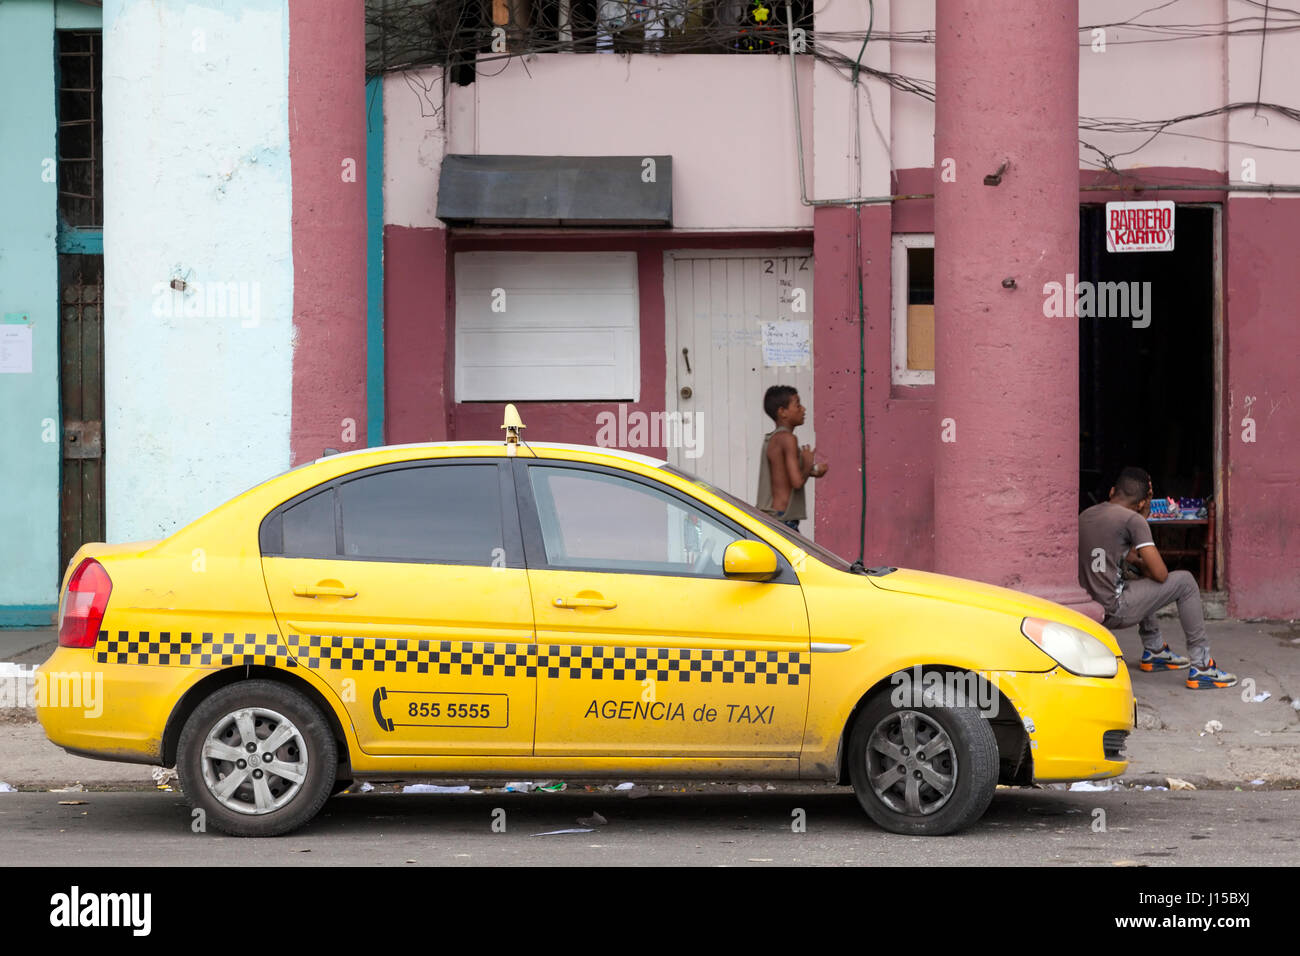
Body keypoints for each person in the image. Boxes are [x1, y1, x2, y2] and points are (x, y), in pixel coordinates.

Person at [1078, 466, 1237, 689]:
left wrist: (1135, 562)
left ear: (1112, 491)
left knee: (1137, 577)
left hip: (1087, 610)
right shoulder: (1133, 521)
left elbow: (1123, 558)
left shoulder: (1087, 514)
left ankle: (1155, 650)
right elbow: (1161, 574)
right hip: (1113, 609)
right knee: (1185, 582)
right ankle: (1202, 667)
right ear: (1143, 502)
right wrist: (1142, 519)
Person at [755, 385, 827, 533]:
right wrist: (807, 463)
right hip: (783, 520)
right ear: (782, 412)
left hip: (772, 518)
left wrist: (813, 471)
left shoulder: (773, 438)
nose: (803, 409)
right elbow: (797, 482)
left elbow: (782, 473)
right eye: (798, 405)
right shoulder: (788, 439)